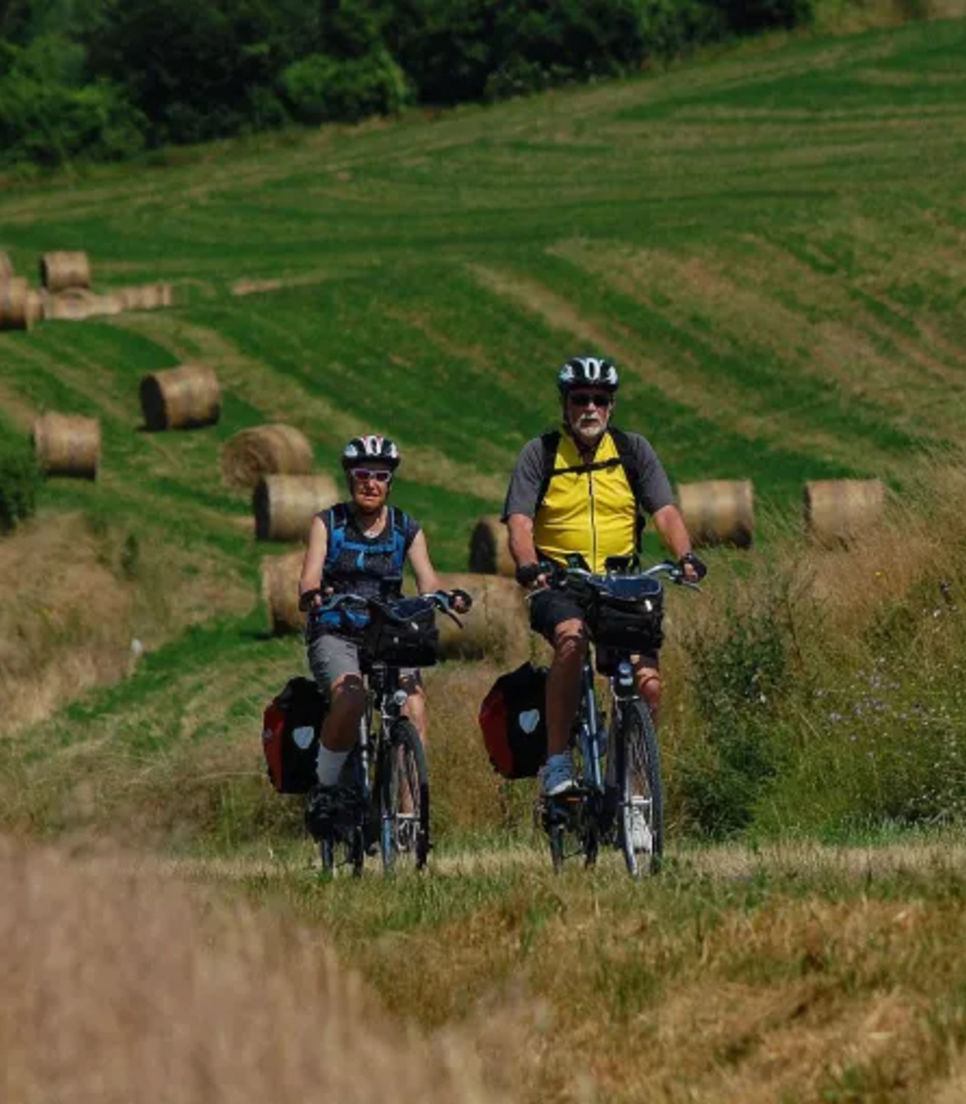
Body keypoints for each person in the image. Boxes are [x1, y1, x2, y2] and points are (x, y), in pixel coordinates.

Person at [502, 356, 706, 796]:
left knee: (648, 685)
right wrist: (528, 565)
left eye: (599, 400)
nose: (589, 408)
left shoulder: (633, 451)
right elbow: (519, 521)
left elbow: (665, 511)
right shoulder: (541, 453)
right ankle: (557, 761)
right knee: (572, 641)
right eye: (580, 400)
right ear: (565, 404)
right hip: (560, 582)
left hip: (621, 583)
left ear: (611, 407)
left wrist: (686, 555)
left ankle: (631, 779)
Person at [297, 434, 463, 837]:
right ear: (350, 478)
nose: (371, 483)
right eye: (362, 475)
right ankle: (327, 784)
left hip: (386, 631)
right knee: (351, 696)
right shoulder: (328, 523)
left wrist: (442, 598)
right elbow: (309, 576)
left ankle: (408, 818)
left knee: (414, 707)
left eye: (380, 476)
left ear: (390, 482)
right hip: (336, 628)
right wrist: (312, 594)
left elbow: (427, 577)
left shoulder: (406, 528)